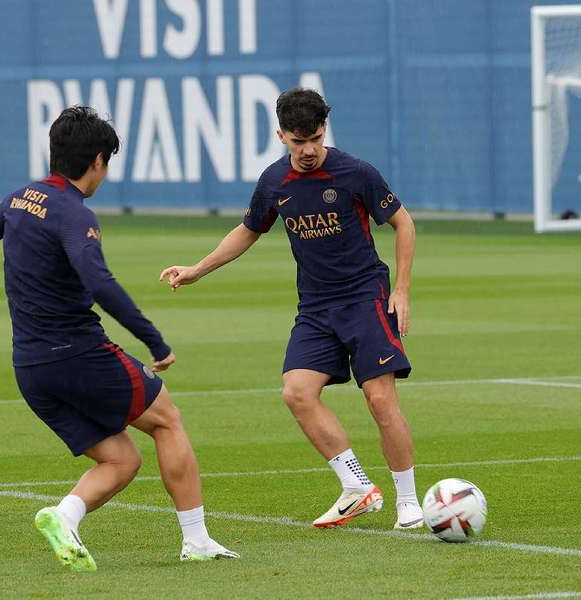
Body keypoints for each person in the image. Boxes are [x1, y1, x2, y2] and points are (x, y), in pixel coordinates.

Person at [0, 106, 238, 571]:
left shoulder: (24, 197)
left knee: (121, 460)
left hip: (31, 369)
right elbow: (99, 283)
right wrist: (155, 342)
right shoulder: (75, 213)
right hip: (78, 354)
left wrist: (26, 213)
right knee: (168, 421)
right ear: (98, 160)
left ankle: (63, 515)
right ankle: (197, 540)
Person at [159, 88, 423, 530]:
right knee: (297, 392)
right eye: (298, 141)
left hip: (365, 298)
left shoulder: (356, 173)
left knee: (380, 399)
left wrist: (403, 289)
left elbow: (403, 222)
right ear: (281, 135)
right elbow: (249, 230)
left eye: (316, 138)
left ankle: (409, 502)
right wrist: (198, 269)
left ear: (325, 131)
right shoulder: (273, 182)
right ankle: (357, 487)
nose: (308, 150)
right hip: (316, 307)